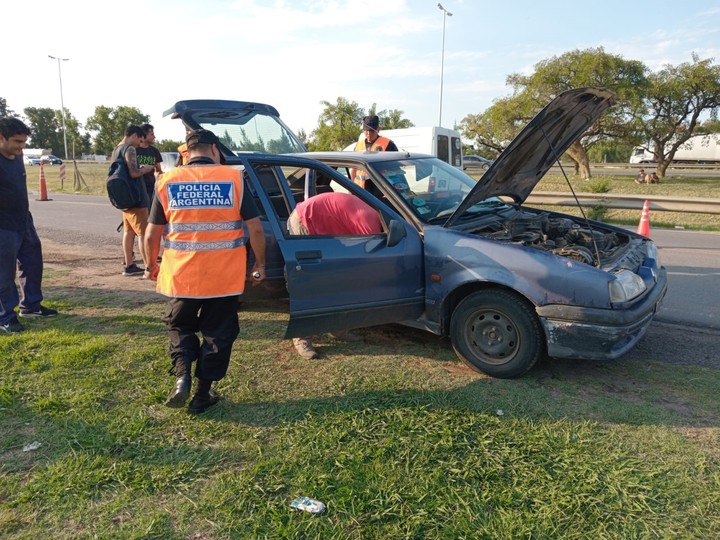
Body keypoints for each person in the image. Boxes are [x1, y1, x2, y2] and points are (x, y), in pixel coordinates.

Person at [144, 129, 266, 414]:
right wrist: (260, 265)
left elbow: (152, 233)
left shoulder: (167, 180)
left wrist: (151, 264)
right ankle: (202, 393)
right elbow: (256, 228)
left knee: (180, 325)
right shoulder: (234, 178)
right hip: (224, 276)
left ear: (188, 150)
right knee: (218, 333)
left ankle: (182, 376)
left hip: (182, 275)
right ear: (214, 150)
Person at [286, 191, 383, 359]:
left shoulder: (372, 219)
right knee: (310, 281)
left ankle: (338, 329)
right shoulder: (370, 226)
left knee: (341, 280)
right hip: (305, 219)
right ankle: (302, 338)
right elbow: (365, 266)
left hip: (324, 223)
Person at [0, 118, 58, 334]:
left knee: (33, 263)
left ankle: (31, 306)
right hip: (3, 225)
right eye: (17, 141)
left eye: (24, 142)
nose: (21, 146)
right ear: (1, 138)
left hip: (23, 219)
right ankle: (5, 316)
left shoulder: (17, 155)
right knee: (4, 273)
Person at [110, 125, 153, 276]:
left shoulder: (116, 149)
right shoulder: (129, 149)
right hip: (136, 198)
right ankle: (149, 267)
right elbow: (134, 173)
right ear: (134, 135)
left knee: (128, 232)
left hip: (124, 198)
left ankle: (129, 264)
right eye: (139, 140)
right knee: (143, 233)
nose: (139, 144)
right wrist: (146, 169)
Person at [351, 115, 398, 189]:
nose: (368, 134)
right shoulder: (358, 145)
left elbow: (395, 169)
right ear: (363, 130)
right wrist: (351, 188)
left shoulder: (388, 145)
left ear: (378, 129)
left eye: (372, 131)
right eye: (366, 130)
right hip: (360, 191)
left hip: (380, 191)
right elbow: (354, 169)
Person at [136, 124, 163, 206]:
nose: (154, 137)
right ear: (143, 135)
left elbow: (158, 170)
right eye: (151, 134)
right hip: (137, 189)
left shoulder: (154, 151)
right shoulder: (133, 150)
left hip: (150, 188)